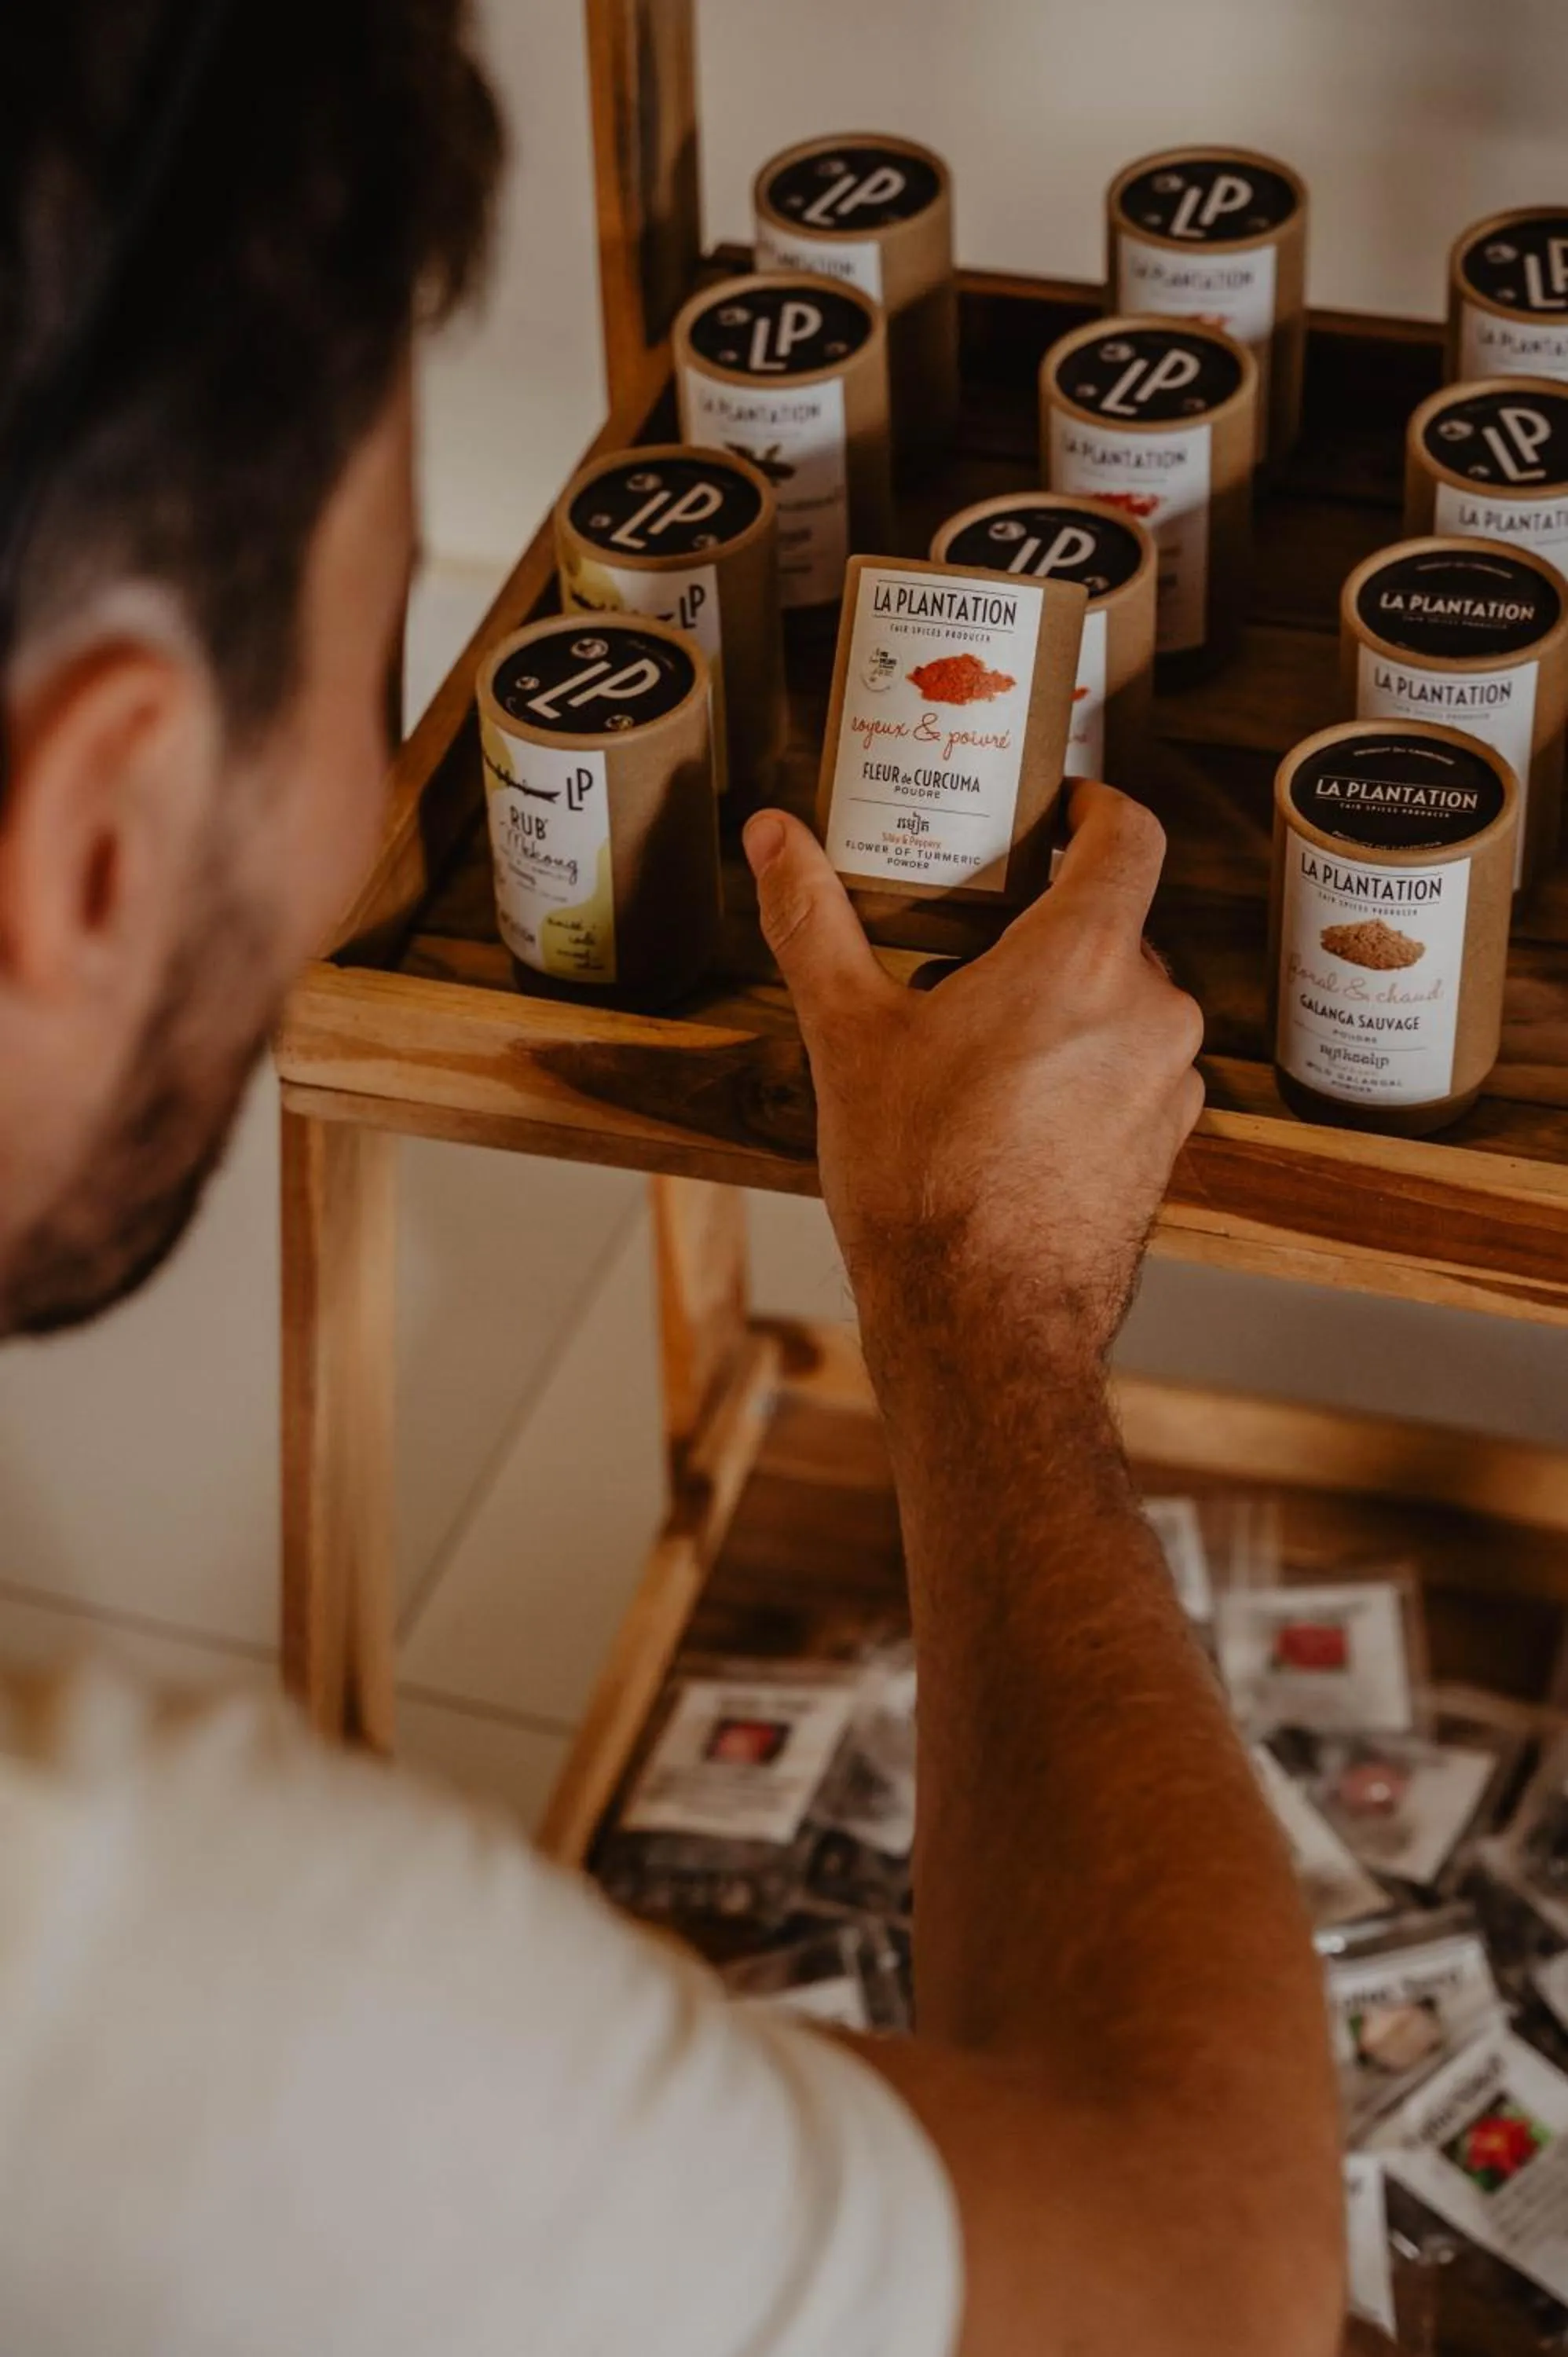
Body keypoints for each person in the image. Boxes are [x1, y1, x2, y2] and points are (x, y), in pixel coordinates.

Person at [0, 3, 1342, 2352]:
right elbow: (1203, 2292)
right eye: (384, 647)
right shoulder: (141, 1968)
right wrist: (977, 1289)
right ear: (93, 839)